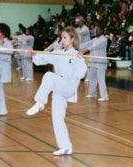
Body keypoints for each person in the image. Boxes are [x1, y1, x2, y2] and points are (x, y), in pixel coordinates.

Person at [26, 27, 87, 156]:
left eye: (65, 37)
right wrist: (34, 54)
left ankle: (40, 103)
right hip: (59, 88)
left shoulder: (76, 54)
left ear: (73, 39)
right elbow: (43, 58)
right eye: (62, 37)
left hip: (69, 87)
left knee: (48, 75)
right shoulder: (58, 52)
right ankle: (66, 146)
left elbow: (81, 74)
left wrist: (81, 60)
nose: (62, 40)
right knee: (57, 118)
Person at [79, 26, 109, 102]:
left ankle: (104, 96)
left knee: (101, 79)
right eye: (95, 31)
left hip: (100, 62)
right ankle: (92, 93)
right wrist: (77, 46)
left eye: (97, 30)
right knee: (91, 78)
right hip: (93, 61)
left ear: (101, 31)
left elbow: (95, 46)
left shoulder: (104, 39)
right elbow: (87, 44)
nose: (95, 32)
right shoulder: (94, 39)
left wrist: (86, 50)